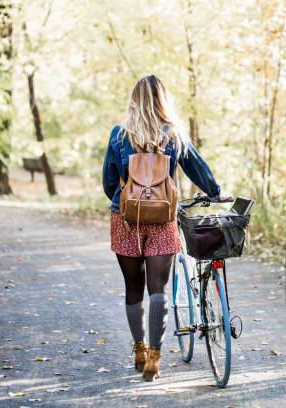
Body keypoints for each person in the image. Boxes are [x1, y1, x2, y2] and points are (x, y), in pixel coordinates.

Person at [102, 75, 230, 381]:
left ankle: (139, 349)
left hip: (126, 220)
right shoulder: (173, 135)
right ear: (163, 100)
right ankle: (156, 358)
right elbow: (197, 168)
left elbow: (108, 182)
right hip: (162, 219)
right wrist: (215, 192)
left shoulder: (119, 134)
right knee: (157, 289)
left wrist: (124, 202)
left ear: (134, 100)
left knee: (133, 289)